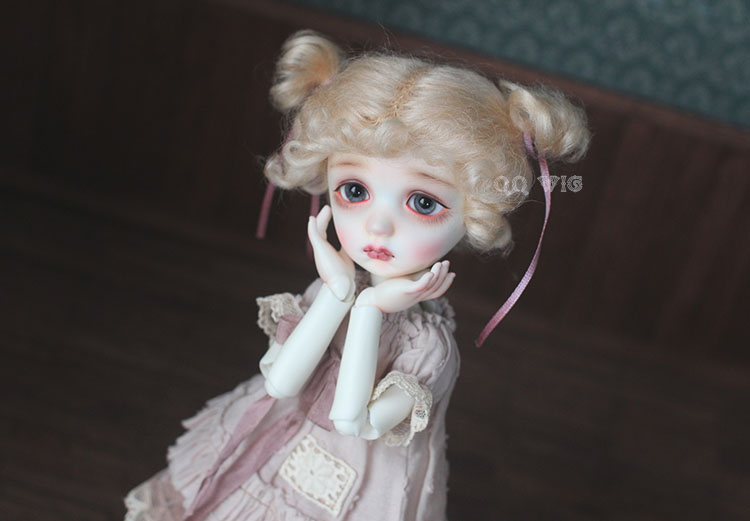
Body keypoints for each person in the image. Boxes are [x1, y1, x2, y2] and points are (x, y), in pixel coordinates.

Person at [124, 29, 590, 521]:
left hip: (356, 490)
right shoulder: (332, 290)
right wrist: (340, 292)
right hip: (272, 442)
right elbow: (279, 383)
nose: (378, 226)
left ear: (473, 213)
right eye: (353, 190)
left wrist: (367, 310)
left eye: (422, 202)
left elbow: (353, 420)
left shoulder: (427, 349)